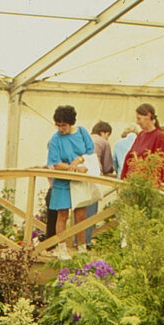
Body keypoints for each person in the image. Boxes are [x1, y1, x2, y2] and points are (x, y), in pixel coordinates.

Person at [45, 105, 95, 258]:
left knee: (80, 214)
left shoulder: (82, 132)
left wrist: (78, 161)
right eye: (58, 125)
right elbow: (55, 162)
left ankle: (82, 247)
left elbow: (90, 151)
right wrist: (72, 168)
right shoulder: (55, 139)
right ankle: (62, 248)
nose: (61, 129)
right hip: (62, 180)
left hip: (79, 180)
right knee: (62, 214)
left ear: (71, 123)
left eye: (64, 125)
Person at [83, 121, 115, 248]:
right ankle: (87, 241)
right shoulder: (103, 142)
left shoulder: (82, 139)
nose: (107, 138)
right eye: (108, 135)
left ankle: (76, 240)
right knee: (91, 210)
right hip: (93, 176)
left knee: (79, 209)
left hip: (79, 175)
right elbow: (107, 166)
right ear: (103, 132)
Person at [120, 103, 164, 181]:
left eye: (139, 119)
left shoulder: (159, 136)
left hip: (145, 183)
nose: (137, 122)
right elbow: (130, 156)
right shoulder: (141, 135)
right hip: (132, 180)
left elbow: (159, 164)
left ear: (148, 116)